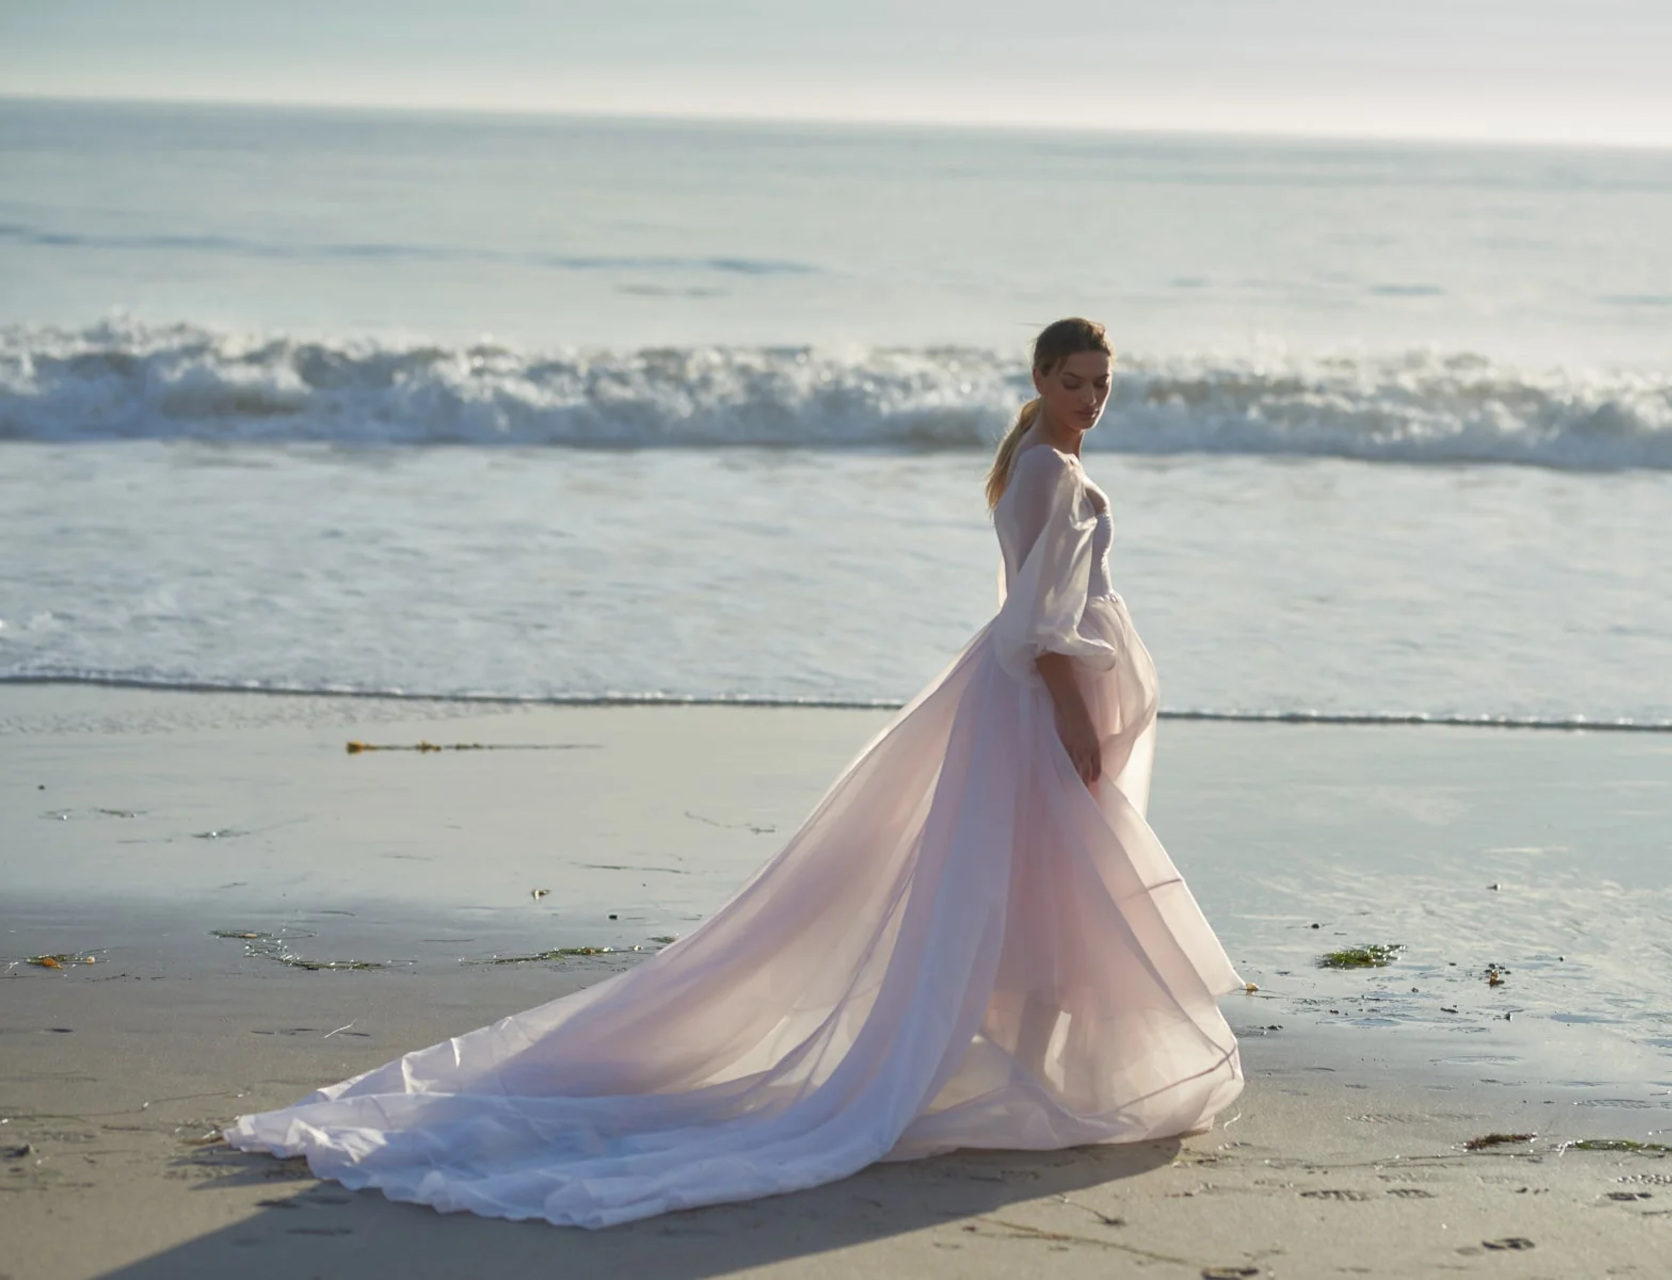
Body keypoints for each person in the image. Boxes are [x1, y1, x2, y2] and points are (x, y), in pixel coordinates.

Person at [226, 317, 1246, 1228]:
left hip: (1018, 698)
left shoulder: (1036, 457)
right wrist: (1076, 716)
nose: (1093, 398)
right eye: (1077, 381)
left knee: (1037, 891)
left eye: (1103, 383)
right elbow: (1042, 622)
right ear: (1041, 376)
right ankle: (1032, 1079)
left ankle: (1032, 1074)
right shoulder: (1048, 470)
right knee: (1049, 887)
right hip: (1035, 702)